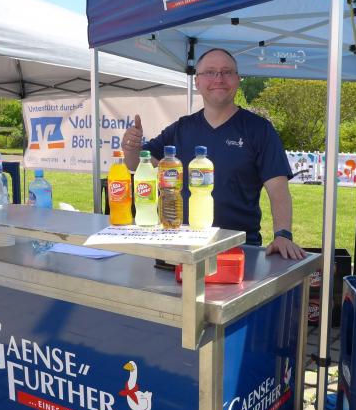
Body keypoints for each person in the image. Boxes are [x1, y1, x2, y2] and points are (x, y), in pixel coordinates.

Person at [122, 48, 305, 260]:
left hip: (238, 249)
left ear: (237, 79)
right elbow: (137, 165)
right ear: (197, 82)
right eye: (210, 72)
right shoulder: (181, 128)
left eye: (227, 72)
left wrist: (283, 235)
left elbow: (278, 188)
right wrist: (131, 148)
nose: (219, 79)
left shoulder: (259, 130)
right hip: (182, 245)